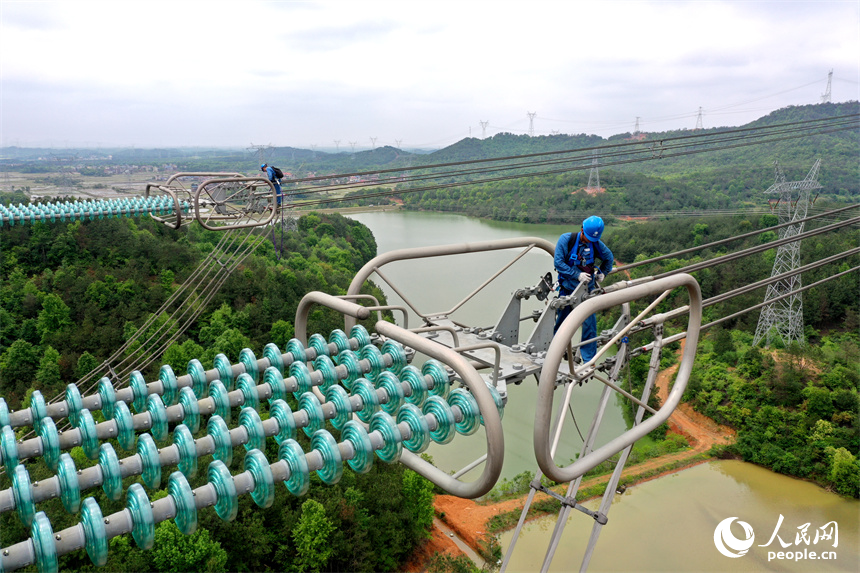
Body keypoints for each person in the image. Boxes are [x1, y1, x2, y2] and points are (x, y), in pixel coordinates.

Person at [553, 215, 614, 363]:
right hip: (567, 289)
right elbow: (558, 263)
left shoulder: (596, 244)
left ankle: (588, 359)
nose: (590, 241)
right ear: (582, 230)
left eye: (593, 239)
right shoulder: (567, 240)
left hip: (587, 291)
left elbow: (609, 257)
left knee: (589, 325)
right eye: (588, 238)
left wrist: (603, 273)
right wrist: (576, 275)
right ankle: (556, 351)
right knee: (562, 322)